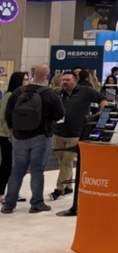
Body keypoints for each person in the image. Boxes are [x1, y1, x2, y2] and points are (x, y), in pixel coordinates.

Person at [1, 65, 64, 214]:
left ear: (32, 75)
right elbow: (59, 114)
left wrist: (14, 131)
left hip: (20, 137)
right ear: (47, 77)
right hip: (41, 136)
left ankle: (8, 204)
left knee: (17, 171)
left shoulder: (18, 92)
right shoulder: (50, 94)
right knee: (37, 170)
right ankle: (37, 203)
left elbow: (8, 114)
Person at [51, 71, 107, 200]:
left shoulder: (85, 91)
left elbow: (102, 98)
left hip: (76, 134)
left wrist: (103, 110)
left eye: (68, 80)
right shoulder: (57, 93)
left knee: (67, 161)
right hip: (58, 133)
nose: (64, 82)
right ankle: (68, 187)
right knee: (62, 162)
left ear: (75, 81)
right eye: (63, 80)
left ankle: (59, 189)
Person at [0, 72, 28, 205]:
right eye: (25, 79)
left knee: (13, 165)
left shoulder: (19, 95)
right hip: (6, 136)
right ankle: (1, 192)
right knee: (7, 164)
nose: (27, 82)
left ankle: (12, 191)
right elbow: (3, 117)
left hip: (13, 135)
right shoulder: (9, 95)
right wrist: (11, 134)